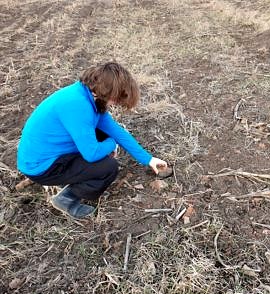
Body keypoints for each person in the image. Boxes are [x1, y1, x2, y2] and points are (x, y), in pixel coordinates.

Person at [17, 62, 167, 218]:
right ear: (108, 90)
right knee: (108, 168)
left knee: (103, 134)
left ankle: (70, 177)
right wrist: (111, 145)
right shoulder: (78, 105)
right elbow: (92, 154)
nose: (116, 102)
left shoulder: (87, 96)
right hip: (41, 167)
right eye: (117, 97)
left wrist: (149, 159)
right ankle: (66, 199)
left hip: (47, 154)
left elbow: (118, 132)